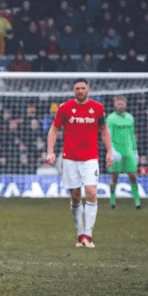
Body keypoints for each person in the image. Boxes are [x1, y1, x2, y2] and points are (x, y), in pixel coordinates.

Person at [45, 79, 116, 248]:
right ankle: (80, 235)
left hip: (91, 158)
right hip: (70, 158)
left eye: (83, 88)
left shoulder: (98, 108)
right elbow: (54, 130)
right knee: (75, 196)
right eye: (77, 88)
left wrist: (110, 151)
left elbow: (104, 130)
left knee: (91, 192)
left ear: (88, 89)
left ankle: (89, 236)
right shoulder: (65, 108)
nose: (80, 91)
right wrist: (50, 151)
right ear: (73, 90)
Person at [106, 95, 141, 210]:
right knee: (114, 177)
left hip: (129, 151)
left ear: (126, 104)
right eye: (118, 102)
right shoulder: (110, 118)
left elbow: (132, 135)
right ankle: (112, 200)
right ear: (114, 104)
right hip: (117, 152)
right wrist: (111, 151)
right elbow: (108, 135)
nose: (120, 104)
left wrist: (135, 150)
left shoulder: (130, 117)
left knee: (133, 176)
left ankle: (137, 201)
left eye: (122, 102)